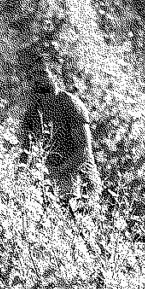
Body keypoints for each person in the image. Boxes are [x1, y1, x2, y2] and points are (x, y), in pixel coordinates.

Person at [20, 63, 100, 201]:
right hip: (47, 180)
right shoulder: (33, 109)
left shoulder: (70, 104)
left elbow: (84, 151)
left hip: (78, 179)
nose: (37, 79)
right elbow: (26, 149)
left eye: (43, 73)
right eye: (33, 75)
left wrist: (56, 173)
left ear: (54, 76)